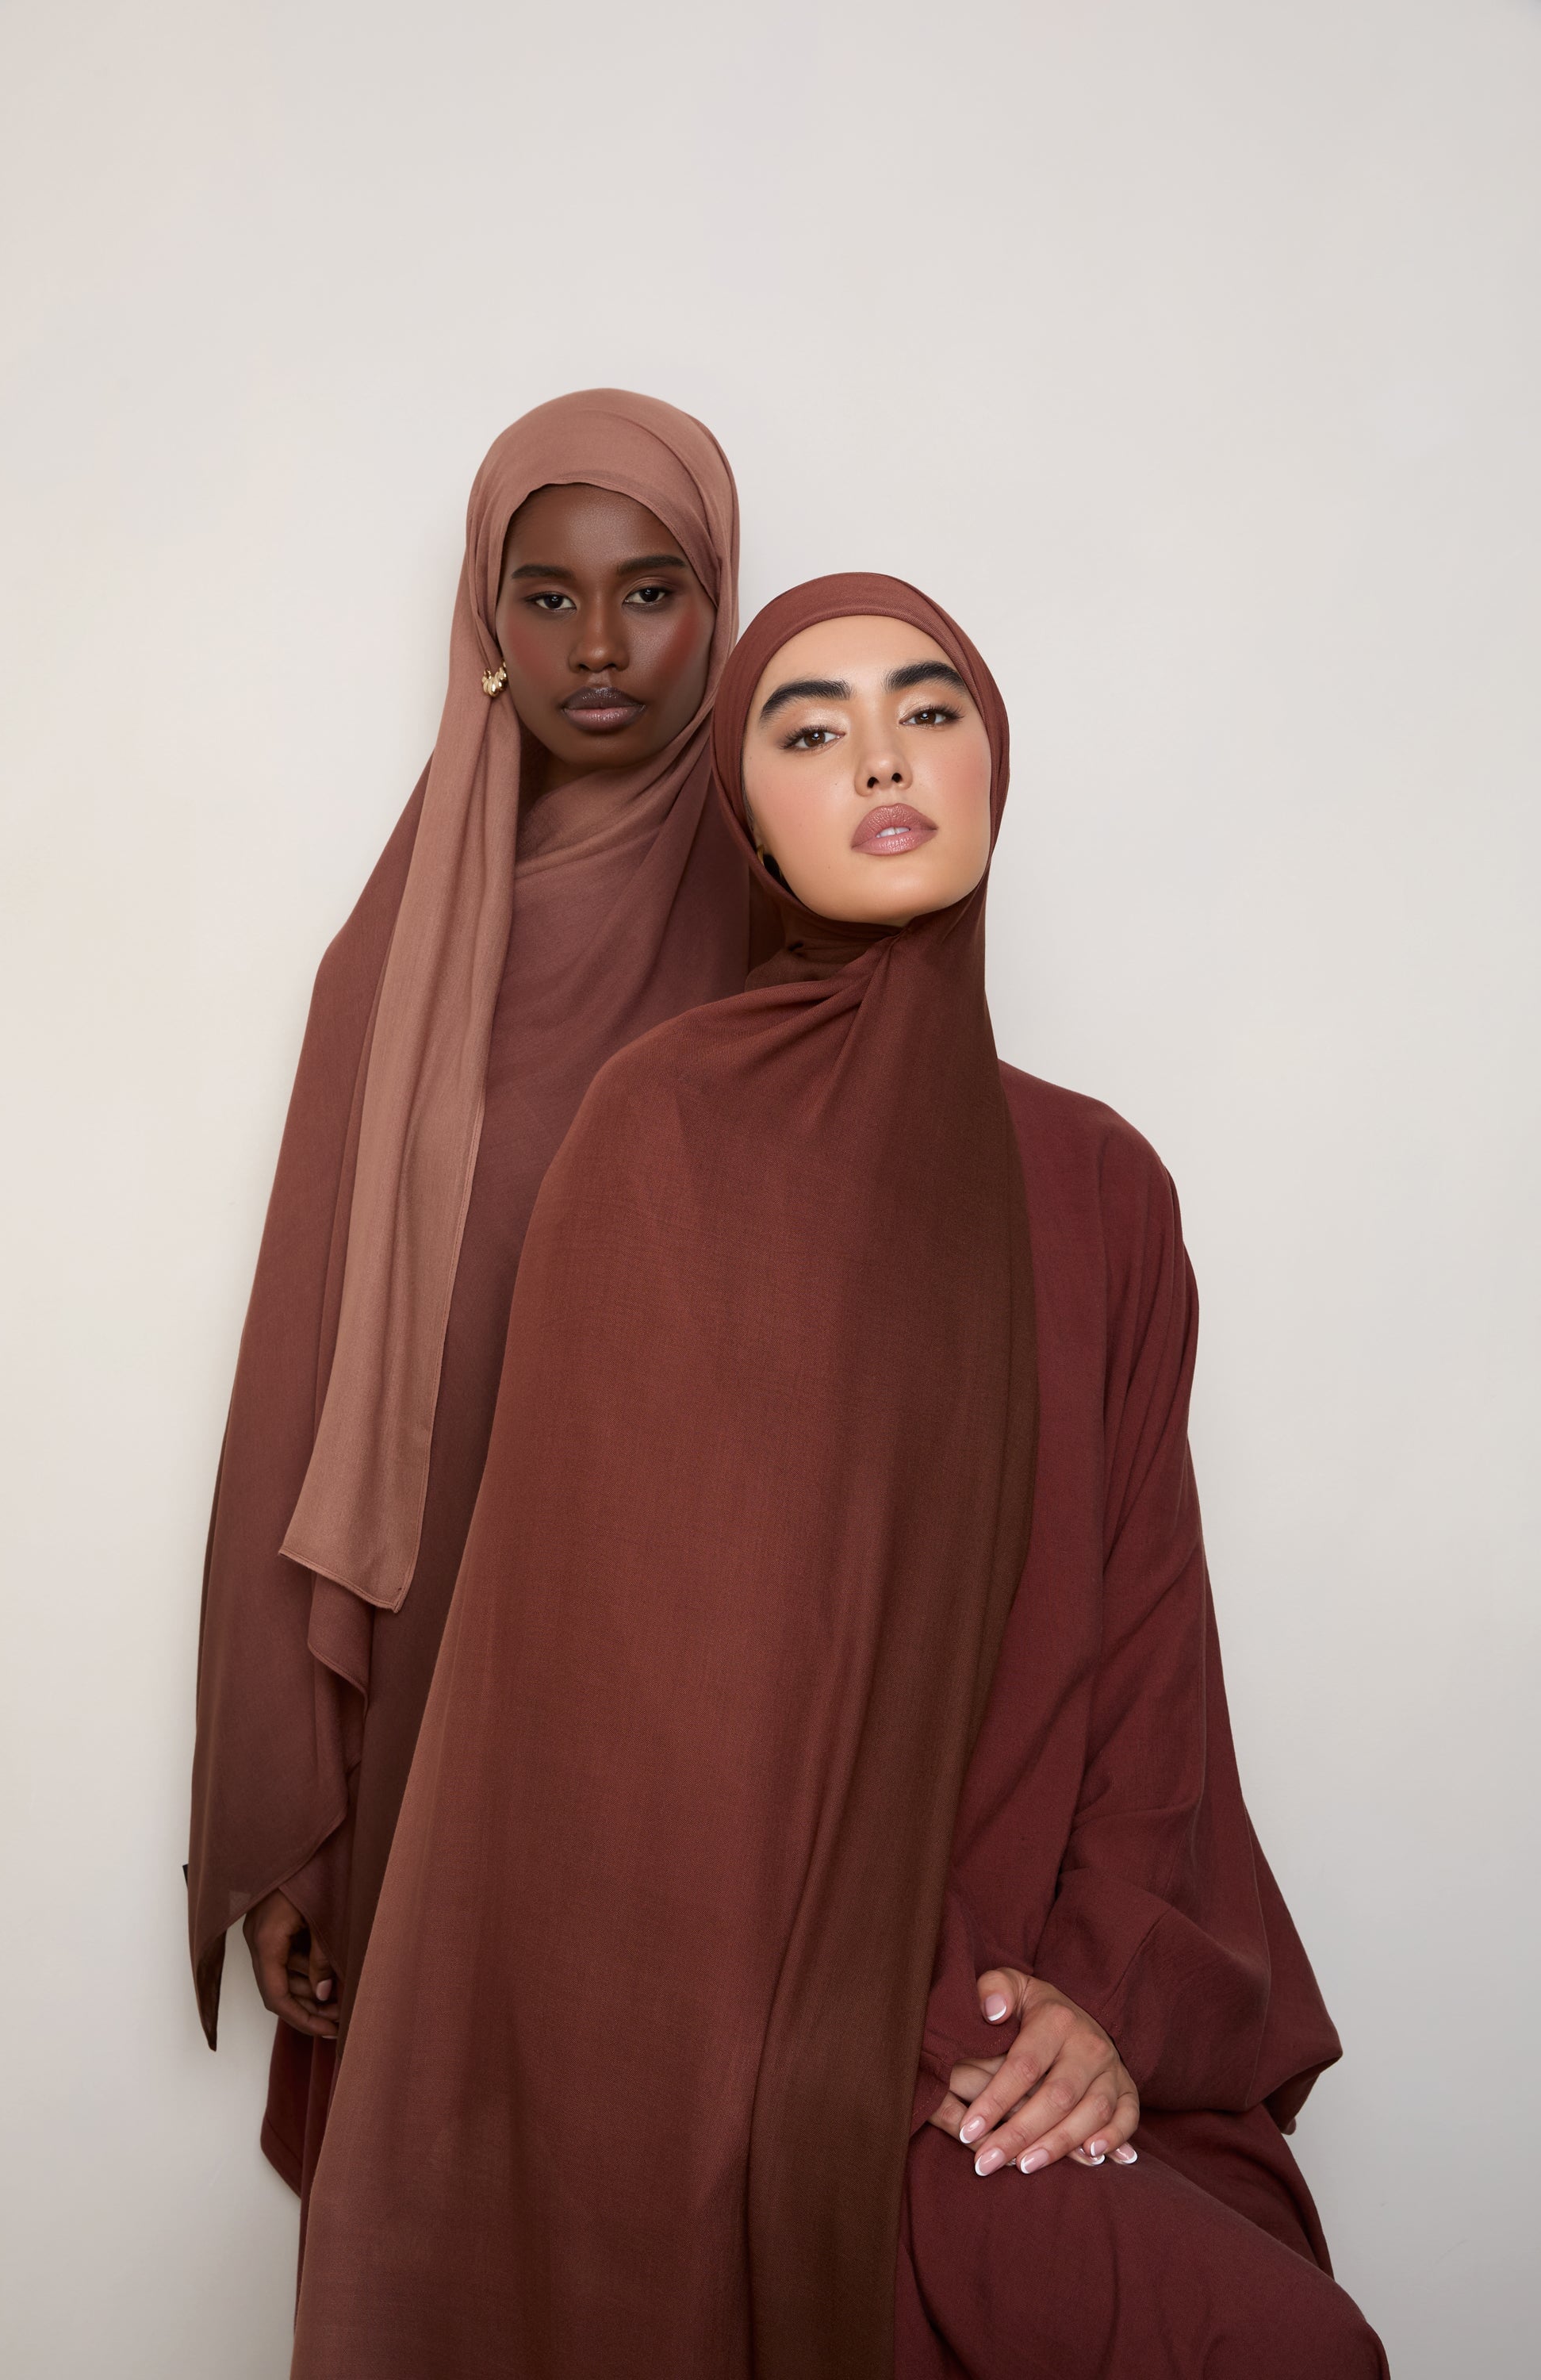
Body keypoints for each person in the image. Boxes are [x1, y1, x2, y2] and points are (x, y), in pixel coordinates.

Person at [288, 576, 1387, 2376]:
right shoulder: (665, 1132)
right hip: (759, 2023)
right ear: (748, 819)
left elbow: (1151, 1670)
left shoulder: (1102, 1184)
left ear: (991, 765)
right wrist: (918, 2025)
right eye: (811, 731)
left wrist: (1093, 2000)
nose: (882, 758)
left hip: (1027, 2010)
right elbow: (640, 1714)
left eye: (927, 710)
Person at [185, 390, 751, 2217]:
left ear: (722, 604)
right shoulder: (406, 946)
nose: (596, 647)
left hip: (697, 1658)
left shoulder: (787, 921)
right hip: (436, 1634)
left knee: (660, 2172)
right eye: (545, 595)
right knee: (444, 2183)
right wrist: (306, 1824)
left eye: (650, 591)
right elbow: (306, 1385)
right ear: (483, 622)